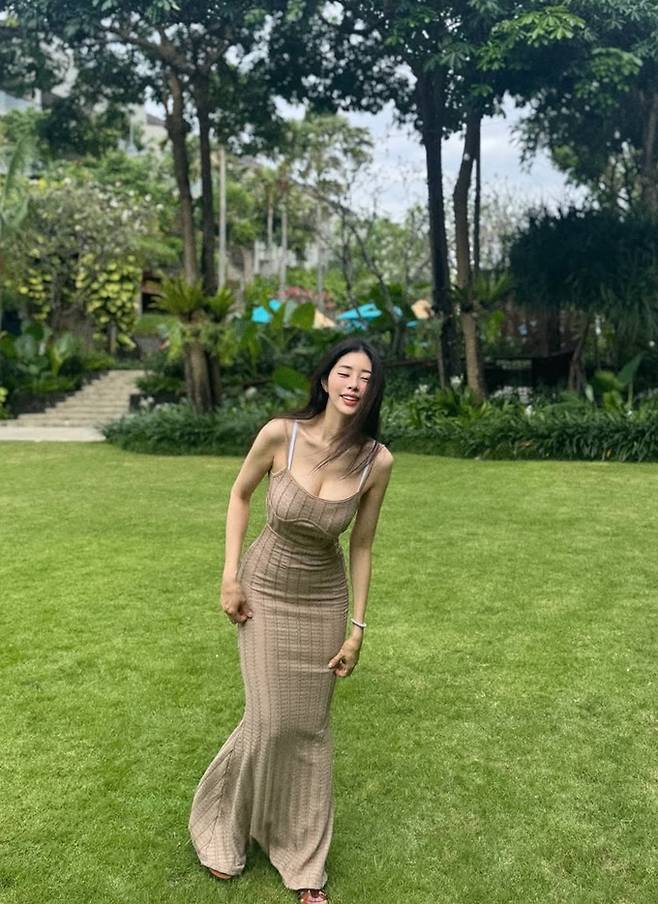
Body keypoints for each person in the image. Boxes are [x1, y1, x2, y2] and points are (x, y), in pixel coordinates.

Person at [188, 337, 394, 904]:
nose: (354, 384)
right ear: (326, 380)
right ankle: (222, 826)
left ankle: (304, 862)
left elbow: (362, 546)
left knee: (308, 729)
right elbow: (239, 495)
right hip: (264, 590)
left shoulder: (377, 461)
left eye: (366, 377)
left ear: (373, 391)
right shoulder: (282, 434)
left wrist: (358, 628)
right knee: (269, 721)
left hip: (322, 600)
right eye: (345, 372)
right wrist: (229, 575)